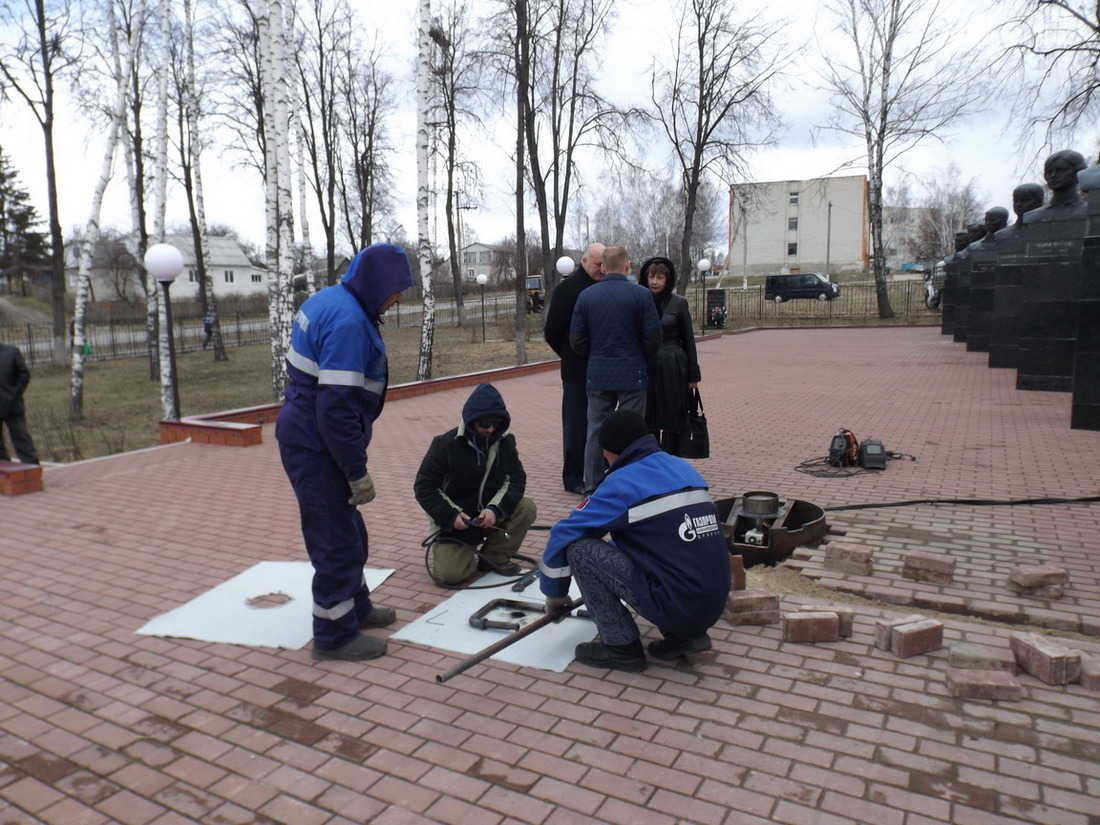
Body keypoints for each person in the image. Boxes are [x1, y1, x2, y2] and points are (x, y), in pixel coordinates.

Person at [275, 242, 413, 663]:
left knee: (349, 531)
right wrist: (355, 471)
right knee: (335, 541)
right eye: (396, 289)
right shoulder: (350, 322)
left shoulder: (329, 299)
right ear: (376, 284)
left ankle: (357, 607)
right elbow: (335, 407)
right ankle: (334, 635)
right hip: (318, 443)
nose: (399, 299)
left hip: (308, 433)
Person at [539, 410, 730, 672]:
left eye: (604, 452)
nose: (604, 459)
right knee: (656, 555)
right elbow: (657, 543)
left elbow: (565, 532)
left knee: (581, 550)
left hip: (678, 604)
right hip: (711, 604)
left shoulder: (622, 483)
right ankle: (685, 637)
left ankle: (621, 648)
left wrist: (555, 593)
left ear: (613, 451)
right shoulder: (682, 468)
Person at [413, 383, 537, 585]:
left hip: (487, 517)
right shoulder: (445, 444)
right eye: (484, 424)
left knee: (526, 507)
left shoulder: (506, 443)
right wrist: (451, 515)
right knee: (450, 576)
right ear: (471, 421)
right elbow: (424, 487)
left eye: (495, 424)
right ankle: (464, 553)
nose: (490, 429)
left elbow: (516, 479)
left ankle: (494, 557)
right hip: (455, 522)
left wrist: (495, 510)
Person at [570, 244, 661, 493]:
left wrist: (597, 354)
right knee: (634, 431)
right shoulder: (641, 295)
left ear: (603, 266)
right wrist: (639, 355)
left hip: (598, 373)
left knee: (595, 429)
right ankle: (632, 484)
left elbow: (576, 340)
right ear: (627, 265)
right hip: (633, 372)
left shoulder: (586, 296)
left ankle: (592, 485)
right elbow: (653, 337)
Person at [543, 242, 604, 495]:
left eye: (605, 264)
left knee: (598, 422)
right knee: (576, 424)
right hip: (577, 371)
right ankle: (573, 476)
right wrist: (570, 354)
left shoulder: (604, 287)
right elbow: (552, 332)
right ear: (585, 261)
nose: (602, 268)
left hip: (602, 368)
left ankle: (596, 472)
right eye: (598, 263)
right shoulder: (567, 290)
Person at [638, 256, 701, 455]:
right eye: (651, 277)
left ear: (668, 279)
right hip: (648, 364)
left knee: (672, 410)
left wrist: (693, 375)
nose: (654, 282)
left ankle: (672, 456)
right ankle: (651, 455)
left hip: (673, 365)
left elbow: (688, 339)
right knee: (648, 413)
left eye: (659, 278)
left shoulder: (678, 303)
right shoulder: (640, 300)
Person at [0, 342, 40, 465]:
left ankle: (32, 468)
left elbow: (23, 375)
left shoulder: (11, 352)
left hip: (12, 406)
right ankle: (5, 472)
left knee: (21, 439)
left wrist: (14, 394)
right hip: (10, 401)